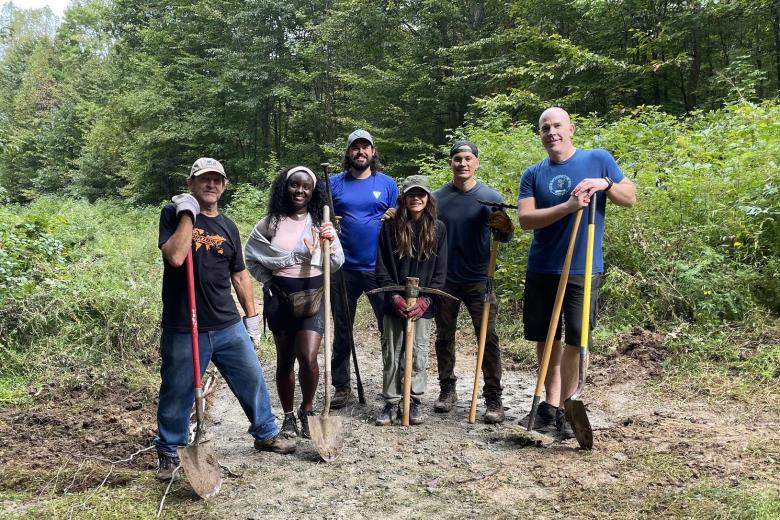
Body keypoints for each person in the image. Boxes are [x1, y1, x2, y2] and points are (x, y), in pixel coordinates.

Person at [155, 157, 294, 481]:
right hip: (184, 324)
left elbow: (240, 274)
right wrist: (188, 213)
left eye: (217, 179)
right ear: (191, 183)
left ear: (224, 185)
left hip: (227, 323)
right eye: (204, 179)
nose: (212, 184)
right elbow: (176, 256)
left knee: (252, 378)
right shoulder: (173, 214)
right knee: (177, 390)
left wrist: (252, 317)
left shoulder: (229, 226)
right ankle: (168, 449)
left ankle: (265, 432)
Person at [517, 107, 636, 438]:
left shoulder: (598, 159)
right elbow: (526, 220)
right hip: (543, 266)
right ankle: (549, 406)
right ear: (539, 135)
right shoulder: (533, 173)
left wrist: (606, 183)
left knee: (577, 339)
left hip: (583, 268)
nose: (551, 131)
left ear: (571, 128)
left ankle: (569, 409)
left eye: (557, 125)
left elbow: (629, 197)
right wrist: (567, 207)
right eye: (545, 127)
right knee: (546, 338)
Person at [244, 166, 344, 440]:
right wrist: (270, 279)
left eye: (306, 187)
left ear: (313, 192)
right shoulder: (270, 223)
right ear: (284, 188)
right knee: (285, 360)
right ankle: (288, 416)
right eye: (294, 185)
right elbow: (251, 257)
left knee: (309, 357)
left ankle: (307, 409)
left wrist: (330, 241)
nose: (299, 191)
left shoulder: (320, 223)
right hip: (281, 298)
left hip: (314, 296)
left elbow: (336, 264)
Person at [432, 140, 514, 424]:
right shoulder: (437, 198)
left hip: (480, 279)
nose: (463, 163)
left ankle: (493, 397)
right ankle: (447, 389)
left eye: (468, 158)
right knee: (444, 337)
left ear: (476, 162)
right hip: (445, 279)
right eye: (457, 159)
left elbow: (504, 238)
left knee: (488, 338)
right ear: (450, 163)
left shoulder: (490, 196)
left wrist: (504, 226)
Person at [328, 129, 399, 408]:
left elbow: (400, 217)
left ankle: (391, 385)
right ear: (348, 153)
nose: (360, 152)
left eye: (365, 147)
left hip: (378, 268)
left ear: (373, 151)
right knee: (343, 328)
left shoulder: (388, 184)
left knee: (389, 327)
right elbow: (318, 216)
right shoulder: (333, 183)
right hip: (342, 267)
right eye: (355, 148)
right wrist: (328, 218)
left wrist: (395, 214)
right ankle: (341, 386)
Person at [374, 175, 447, 426]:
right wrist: (394, 297)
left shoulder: (438, 229)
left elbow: (440, 271)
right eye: (411, 194)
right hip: (394, 302)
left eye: (421, 194)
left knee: (417, 354)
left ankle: (413, 400)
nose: (417, 198)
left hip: (422, 306)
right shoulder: (389, 227)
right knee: (392, 354)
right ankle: (392, 401)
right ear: (403, 198)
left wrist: (426, 301)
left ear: (428, 198)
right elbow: (381, 267)